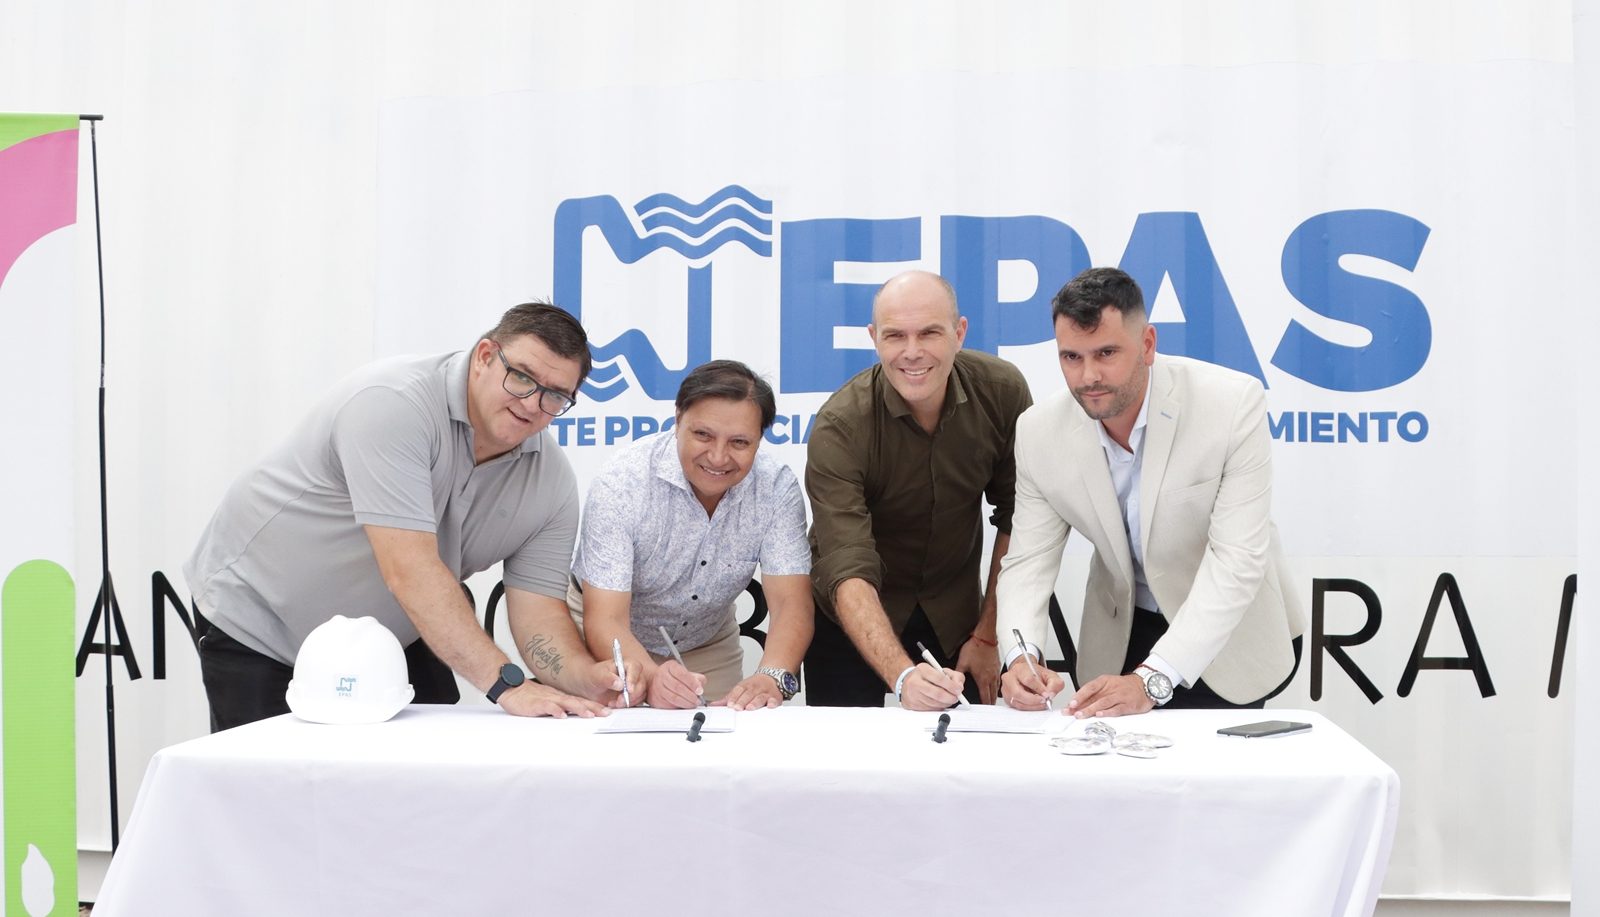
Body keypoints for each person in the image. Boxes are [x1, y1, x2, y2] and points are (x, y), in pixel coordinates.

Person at [185, 301, 624, 731]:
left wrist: (584, 678)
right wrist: (507, 685)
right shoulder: (392, 404)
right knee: (273, 777)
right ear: (485, 357)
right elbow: (410, 571)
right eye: (522, 378)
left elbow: (539, 613)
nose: (531, 404)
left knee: (428, 774)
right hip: (264, 626)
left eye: (554, 395)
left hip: (392, 637)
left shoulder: (551, 481)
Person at [998, 267, 1306, 716]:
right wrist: (1019, 658)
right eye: (1071, 357)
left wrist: (1152, 680)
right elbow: (1028, 561)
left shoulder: (1231, 404)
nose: (1088, 376)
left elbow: (1237, 561)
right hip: (1121, 634)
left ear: (1147, 344)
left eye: (1106, 353)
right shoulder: (1038, 431)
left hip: (1227, 641)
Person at [805, 270, 1032, 711]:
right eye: (895, 336)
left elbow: (1020, 516)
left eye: (929, 333)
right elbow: (847, 565)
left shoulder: (1002, 393)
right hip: (851, 617)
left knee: (967, 748)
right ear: (874, 339)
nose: (912, 352)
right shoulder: (840, 426)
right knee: (845, 753)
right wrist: (902, 675)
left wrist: (989, 634)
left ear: (959, 333)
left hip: (956, 617)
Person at [568, 360, 813, 709]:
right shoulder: (622, 483)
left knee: (729, 732)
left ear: (760, 439)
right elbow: (605, 618)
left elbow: (791, 604)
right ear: (677, 419)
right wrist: (652, 678)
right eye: (703, 435)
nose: (718, 457)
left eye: (739, 442)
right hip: (607, 636)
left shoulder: (776, 488)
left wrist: (771, 677)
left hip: (705, 643)